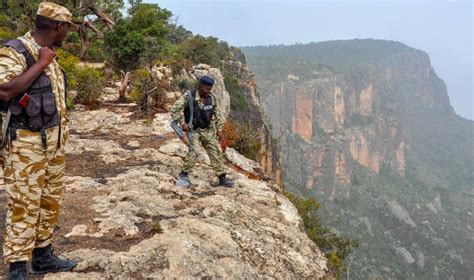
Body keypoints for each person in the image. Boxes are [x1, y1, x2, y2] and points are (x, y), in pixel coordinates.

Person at [0, 2, 78, 279]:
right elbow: (4, 90)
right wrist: (42, 63)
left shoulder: (51, 53)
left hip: (53, 144)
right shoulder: (16, 51)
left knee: (49, 201)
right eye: (67, 27)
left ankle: (43, 255)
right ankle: (18, 267)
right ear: (58, 27)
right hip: (25, 146)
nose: (68, 32)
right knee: (24, 205)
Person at [170, 75, 235, 188]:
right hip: (193, 130)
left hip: (207, 130)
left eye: (210, 89)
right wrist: (182, 122)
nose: (209, 91)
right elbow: (174, 109)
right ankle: (183, 175)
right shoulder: (189, 96)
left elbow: (218, 114)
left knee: (216, 151)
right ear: (200, 87)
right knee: (194, 152)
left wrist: (219, 129)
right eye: (207, 89)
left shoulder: (211, 98)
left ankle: (222, 178)